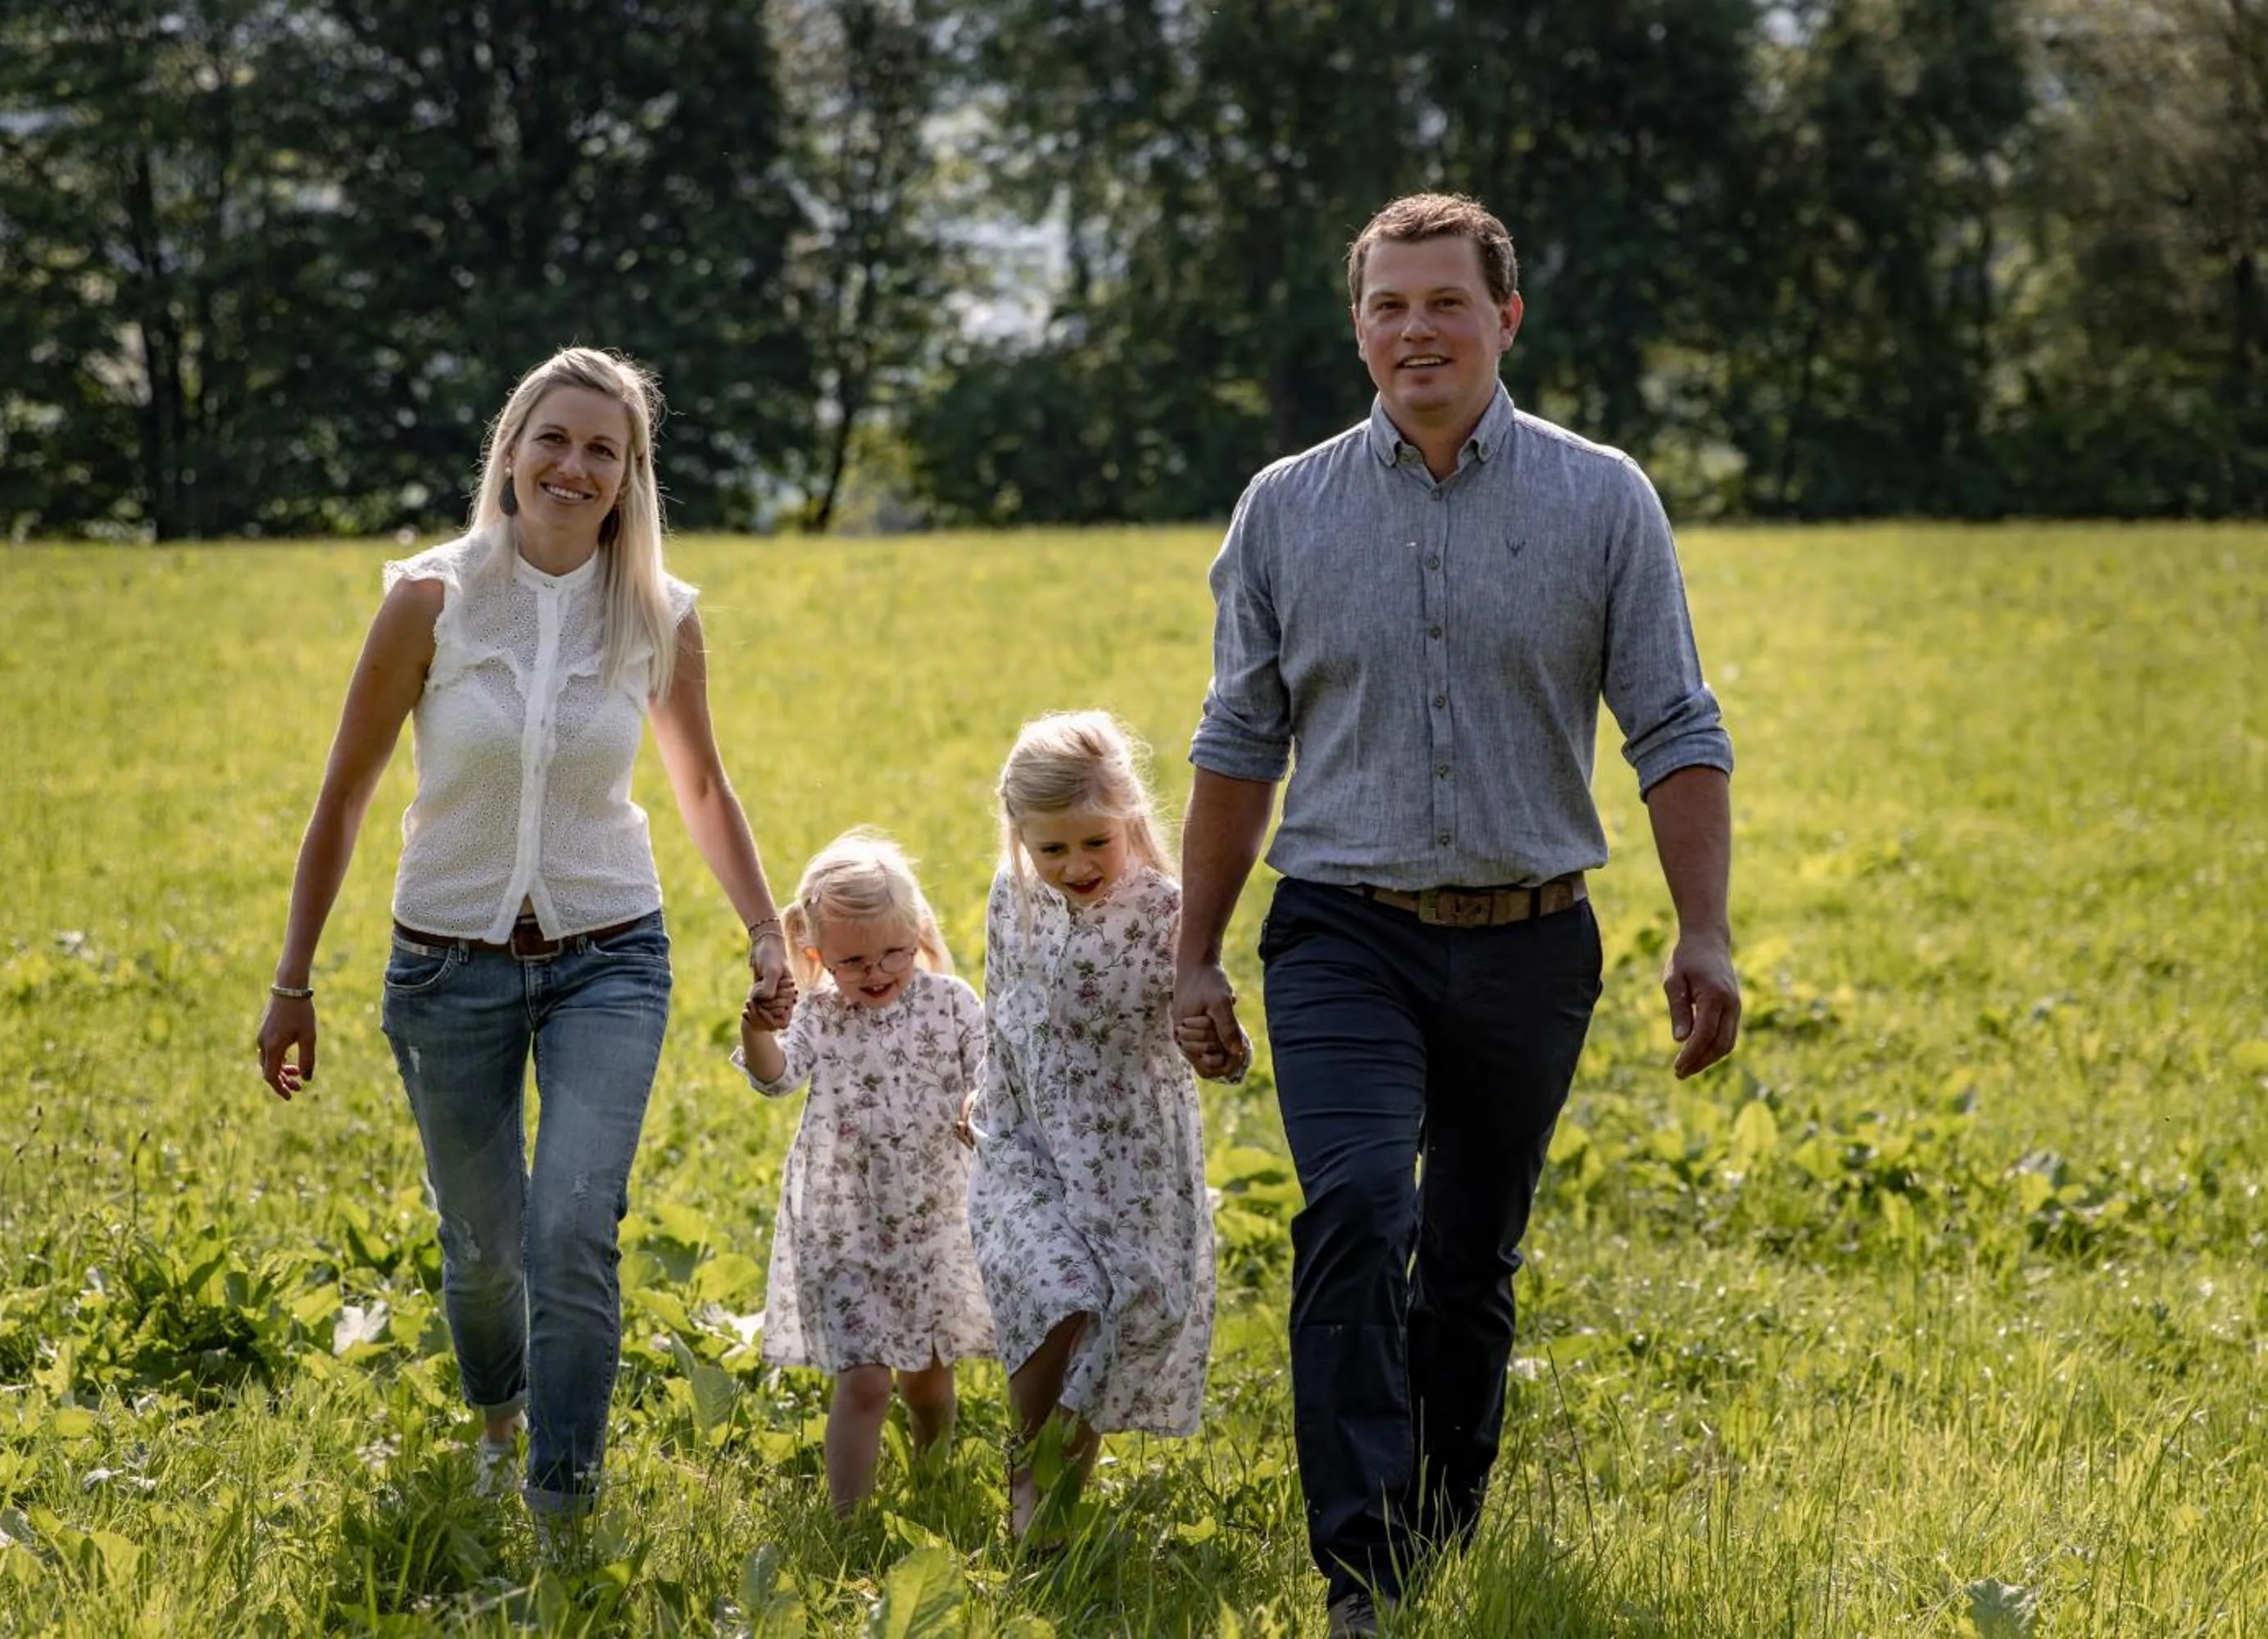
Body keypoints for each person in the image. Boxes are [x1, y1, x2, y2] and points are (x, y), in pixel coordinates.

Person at [1173, 193, 1740, 1633]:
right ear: (1357, 324)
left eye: (1444, 302)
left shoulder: (1601, 496)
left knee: (1471, 1258)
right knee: (1358, 1211)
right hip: (1341, 929)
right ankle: (1361, 1573)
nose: (1415, 329)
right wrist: (1195, 955)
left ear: (1505, 317)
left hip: (1534, 937)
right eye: (1387, 305)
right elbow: (1240, 744)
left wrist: (1705, 929)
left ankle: (1437, 1532)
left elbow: (1671, 722)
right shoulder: (1285, 507)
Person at [254, 345, 795, 1528]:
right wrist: (291, 980)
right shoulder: (431, 598)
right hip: (446, 966)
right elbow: (343, 795)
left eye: (604, 449)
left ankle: (564, 1503)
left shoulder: (660, 614)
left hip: (613, 954)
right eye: (554, 438)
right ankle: (498, 1421)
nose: (575, 464)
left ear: (629, 478)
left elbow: (701, 786)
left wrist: (765, 929)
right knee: (486, 1249)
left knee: (573, 1230)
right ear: (511, 449)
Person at [966, 711, 1223, 1541]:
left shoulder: (1167, 910)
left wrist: (1216, 1037)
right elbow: (999, 1003)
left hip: (1130, 1151)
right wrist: (981, 1100)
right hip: (1027, 1137)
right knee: (1055, 1290)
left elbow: (1195, 1016)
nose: (1075, 865)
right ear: (1020, 837)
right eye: (1053, 848)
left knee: (1122, 1307)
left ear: (1129, 819)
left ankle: (1061, 1484)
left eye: (1094, 843)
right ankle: (1026, 1473)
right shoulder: (1012, 895)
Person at [733, 830, 996, 1514]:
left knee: (926, 1384)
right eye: (853, 961)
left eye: (893, 953)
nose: (877, 973)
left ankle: (934, 1479)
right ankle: (846, 1522)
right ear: (817, 956)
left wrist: (976, 1103)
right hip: (843, 1224)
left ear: (917, 932)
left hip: (929, 1224)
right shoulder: (821, 1013)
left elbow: (993, 1076)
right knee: (866, 1383)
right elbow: (776, 1078)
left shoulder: (951, 1003)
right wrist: (756, 1030)